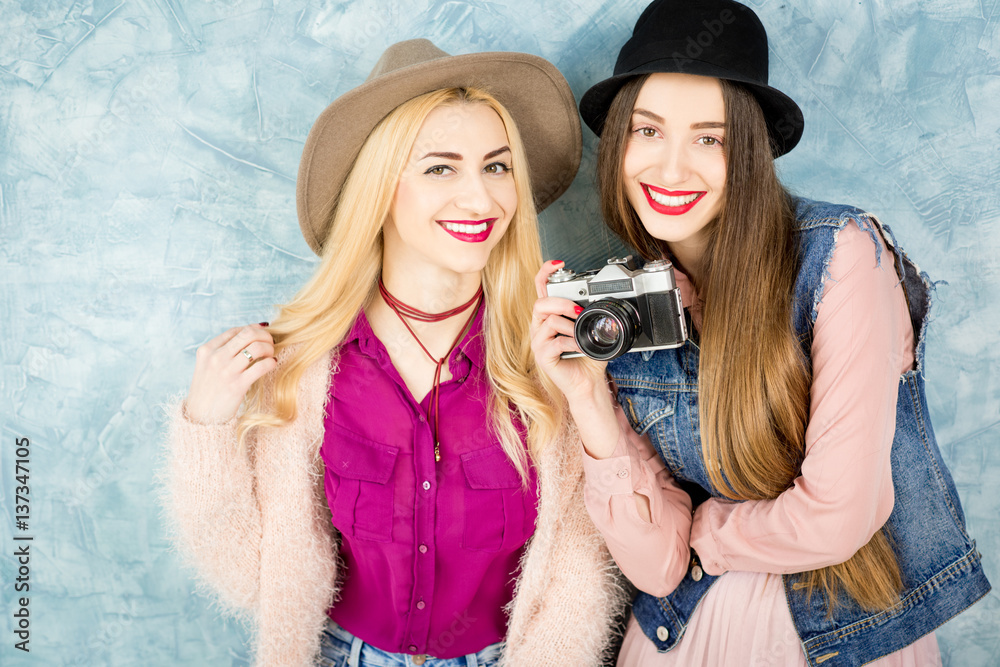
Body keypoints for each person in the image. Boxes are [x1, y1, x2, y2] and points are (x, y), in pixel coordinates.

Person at [530, 1, 991, 665]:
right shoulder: (625, 304)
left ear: (747, 151)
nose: (670, 168)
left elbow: (837, 515)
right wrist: (588, 400)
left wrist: (706, 531)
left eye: (709, 138)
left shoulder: (839, 257)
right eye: (649, 131)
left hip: (839, 633)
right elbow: (656, 568)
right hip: (679, 636)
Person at [162, 39, 626, 667]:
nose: (482, 199)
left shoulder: (554, 354)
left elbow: (578, 573)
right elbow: (253, 580)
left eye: (496, 166)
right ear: (381, 187)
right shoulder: (303, 366)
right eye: (441, 167)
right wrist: (207, 428)